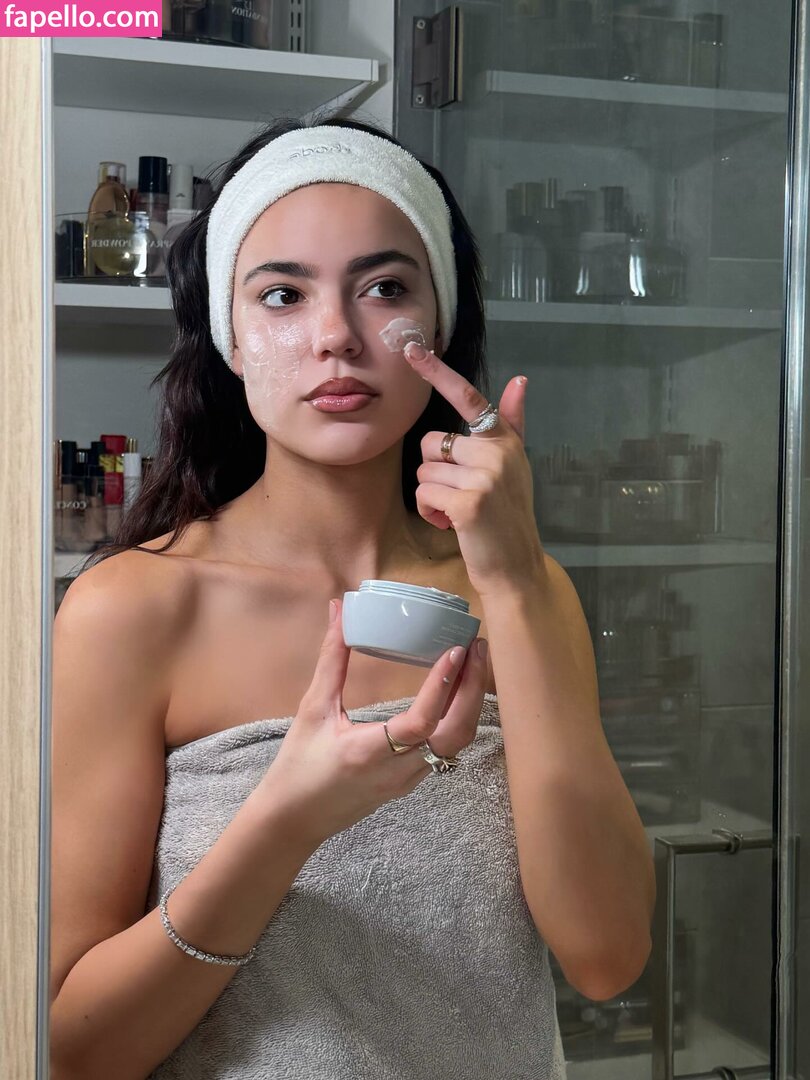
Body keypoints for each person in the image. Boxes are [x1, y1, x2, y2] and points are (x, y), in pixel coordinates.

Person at [48, 115, 655, 1080]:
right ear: (231, 338)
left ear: (438, 325)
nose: (335, 336)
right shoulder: (133, 609)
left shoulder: (526, 594)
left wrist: (511, 580)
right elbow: (72, 1049)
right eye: (281, 295)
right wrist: (284, 822)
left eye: (384, 289)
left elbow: (606, 956)